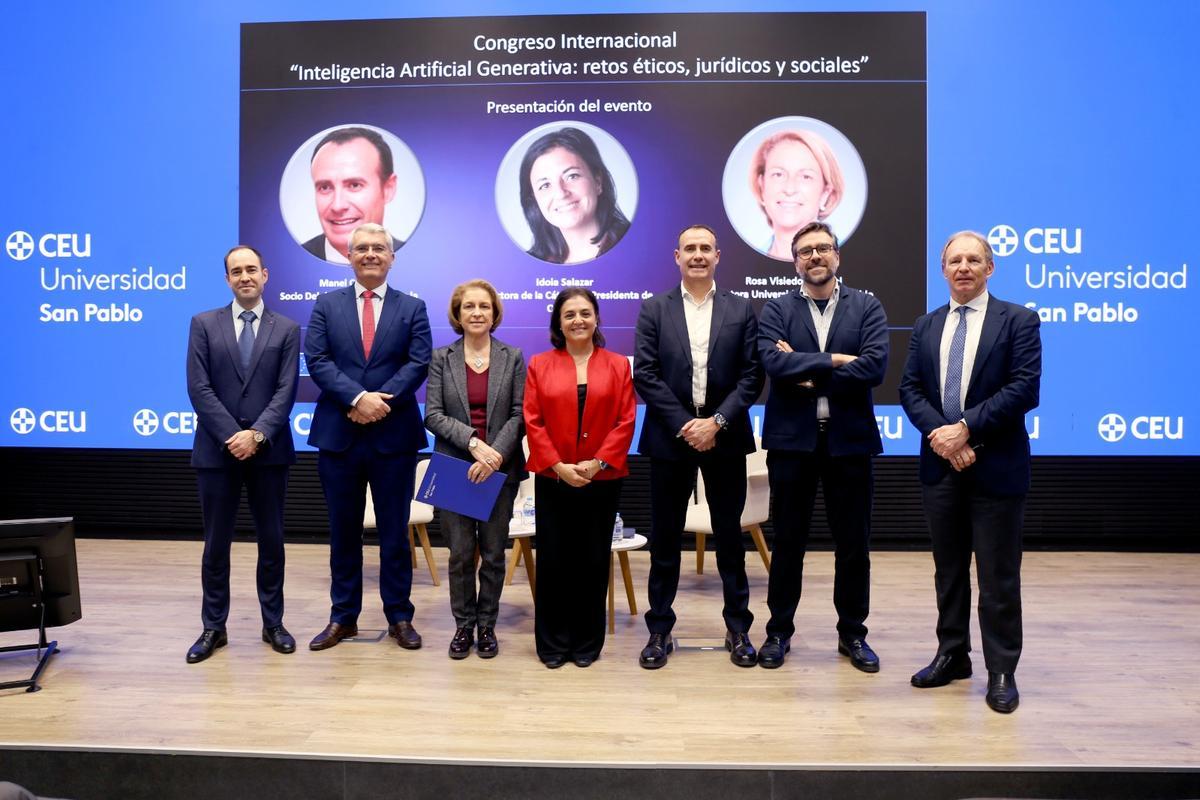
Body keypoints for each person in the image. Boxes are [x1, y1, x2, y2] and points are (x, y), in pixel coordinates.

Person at [899, 230, 1041, 714]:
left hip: (996, 467)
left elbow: (1024, 389)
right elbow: (910, 390)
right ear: (943, 269)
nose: (963, 267)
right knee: (949, 570)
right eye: (955, 260)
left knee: (998, 576)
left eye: (973, 260)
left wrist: (965, 430)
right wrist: (943, 437)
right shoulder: (927, 324)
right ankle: (952, 655)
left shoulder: (1018, 320)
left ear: (990, 268)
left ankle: (1001, 671)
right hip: (941, 467)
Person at [755, 221, 888, 671]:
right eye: (806, 251)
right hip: (793, 445)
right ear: (795, 262)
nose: (815, 256)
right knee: (788, 542)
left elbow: (874, 368)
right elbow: (774, 364)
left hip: (850, 444)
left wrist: (807, 371)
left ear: (837, 255)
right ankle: (778, 632)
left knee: (853, 545)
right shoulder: (777, 309)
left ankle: (853, 634)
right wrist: (835, 360)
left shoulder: (866, 307)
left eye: (823, 248)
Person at [633, 225, 764, 669]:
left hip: (725, 437)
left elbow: (752, 375)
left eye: (705, 248)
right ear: (677, 256)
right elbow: (645, 373)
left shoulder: (740, 309)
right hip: (671, 438)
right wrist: (686, 424)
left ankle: (739, 628)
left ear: (718, 256)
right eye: (689, 248)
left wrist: (717, 423)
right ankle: (658, 630)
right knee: (665, 540)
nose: (697, 255)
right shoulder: (654, 309)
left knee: (730, 538)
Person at [304, 222, 432, 652]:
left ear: (392, 257)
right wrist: (357, 398)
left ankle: (399, 616)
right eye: (362, 248)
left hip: (394, 438)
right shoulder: (326, 305)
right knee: (343, 534)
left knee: (395, 535)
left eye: (379, 248)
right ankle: (343, 617)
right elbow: (317, 360)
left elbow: (417, 363)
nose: (371, 254)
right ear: (349, 257)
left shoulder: (413, 308)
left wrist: (380, 402)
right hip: (339, 436)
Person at [184, 245, 301, 663]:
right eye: (237, 271)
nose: (245, 276)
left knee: (271, 542)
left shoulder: (286, 328)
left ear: (265, 275)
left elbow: (286, 391)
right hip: (217, 453)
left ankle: (274, 623)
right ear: (227, 279)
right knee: (216, 545)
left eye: (252, 269)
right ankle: (213, 627)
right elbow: (199, 388)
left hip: (269, 453)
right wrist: (234, 436)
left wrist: (257, 435)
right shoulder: (203, 324)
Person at [523, 288, 635, 667]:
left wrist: (597, 463)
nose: (578, 320)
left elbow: (625, 420)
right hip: (554, 478)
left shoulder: (618, 365)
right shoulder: (539, 364)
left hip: (601, 479)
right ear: (558, 322)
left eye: (585, 313)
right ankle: (552, 644)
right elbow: (533, 420)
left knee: (592, 561)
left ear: (597, 318)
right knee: (554, 561)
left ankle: (587, 643)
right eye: (569, 314)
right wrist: (558, 465)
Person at [424, 279, 526, 659]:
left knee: (494, 554)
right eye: (469, 306)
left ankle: (487, 627)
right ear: (458, 313)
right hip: (455, 469)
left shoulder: (512, 357)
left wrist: (494, 454)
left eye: (484, 306)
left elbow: (519, 414)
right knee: (461, 555)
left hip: (500, 469)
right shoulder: (442, 357)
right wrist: (473, 444)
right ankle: (463, 627)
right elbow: (433, 414)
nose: (477, 312)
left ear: (494, 313)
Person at [519, 127, 630, 265]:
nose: (560, 193)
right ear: (534, 200)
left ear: (597, 181)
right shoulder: (527, 267)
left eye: (572, 176)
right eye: (545, 185)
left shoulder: (640, 246)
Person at [302, 127, 405, 263]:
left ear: (388, 189)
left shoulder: (417, 258)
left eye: (355, 185)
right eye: (325, 187)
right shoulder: (290, 261)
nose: (338, 206)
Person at [749, 130, 845, 262]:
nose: (789, 189)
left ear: (825, 193)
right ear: (762, 186)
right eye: (778, 174)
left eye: (806, 177)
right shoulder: (742, 261)